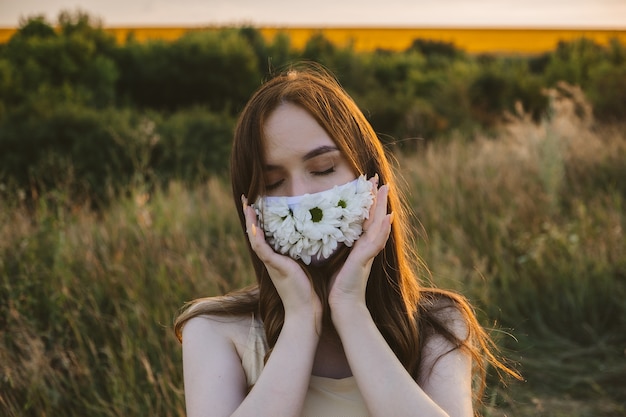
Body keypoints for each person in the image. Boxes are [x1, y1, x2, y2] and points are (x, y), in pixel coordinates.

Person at [174, 65, 519, 417]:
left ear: (370, 177)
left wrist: (350, 309)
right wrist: (300, 319)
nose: (300, 197)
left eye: (323, 169)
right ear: (248, 205)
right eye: (274, 183)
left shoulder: (437, 326)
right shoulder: (215, 330)